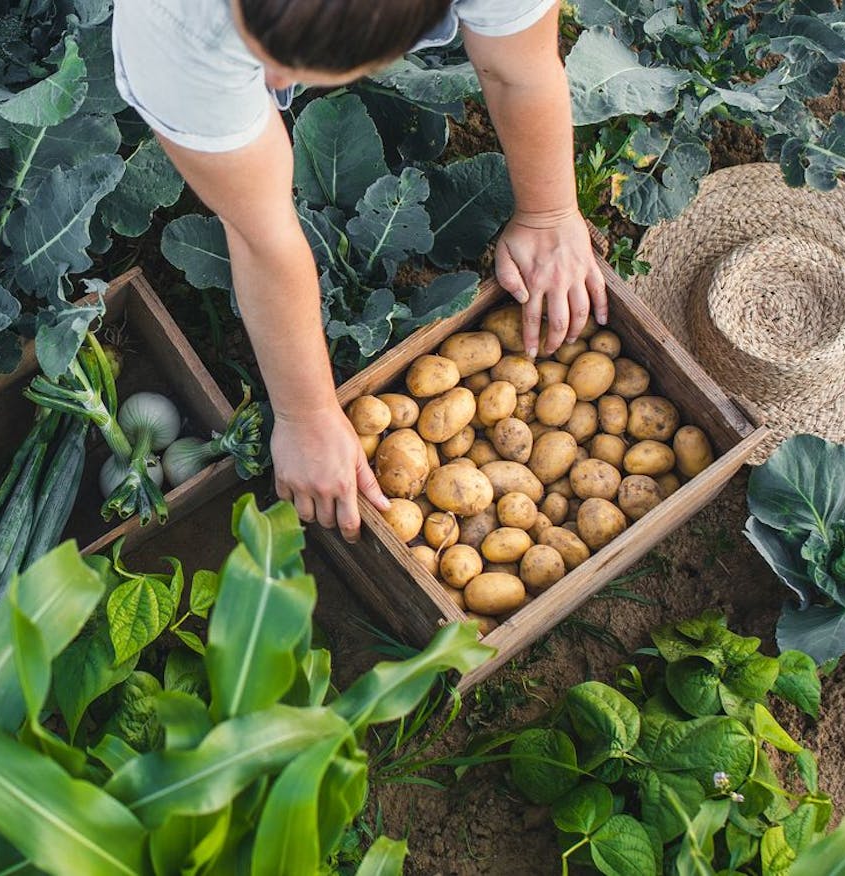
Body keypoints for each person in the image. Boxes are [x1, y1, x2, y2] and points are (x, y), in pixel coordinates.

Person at [112, 0, 607, 543]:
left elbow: (522, 70)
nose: (273, 81)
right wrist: (306, 414)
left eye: (293, 65)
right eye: (259, 50)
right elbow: (262, 238)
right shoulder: (174, 25)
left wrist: (549, 213)